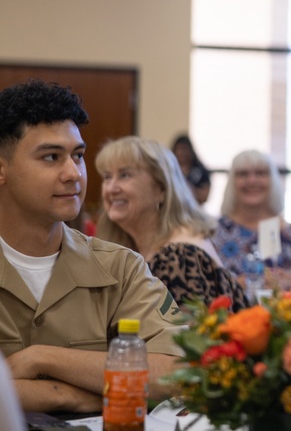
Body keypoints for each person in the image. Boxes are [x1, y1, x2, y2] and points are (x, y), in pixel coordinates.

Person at [0, 80, 182, 413]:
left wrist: (43, 358)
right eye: (51, 157)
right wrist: (67, 395)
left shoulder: (120, 267)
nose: (74, 174)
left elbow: (177, 371)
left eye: (78, 156)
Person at [95, 136, 251, 312]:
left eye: (125, 175)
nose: (111, 188)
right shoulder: (136, 247)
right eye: (107, 177)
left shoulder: (181, 256)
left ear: (161, 189)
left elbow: (184, 337)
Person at [211, 149, 291, 291]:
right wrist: (238, 284)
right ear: (231, 182)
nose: (252, 180)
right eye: (243, 174)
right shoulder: (212, 234)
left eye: (260, 173)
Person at [171, 134, 212, 204]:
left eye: (184, 149)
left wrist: (188, 189)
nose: (181, 153)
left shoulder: (200, 170)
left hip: (195, 210)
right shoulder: (169, 170)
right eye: (179, 149)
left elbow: (204, 196)